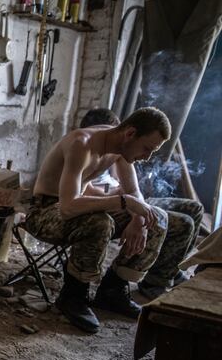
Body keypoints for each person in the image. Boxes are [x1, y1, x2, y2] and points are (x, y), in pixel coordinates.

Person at [25, 107, 171, 333]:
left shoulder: (121, 147)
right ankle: (73, 295)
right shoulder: (81, 144)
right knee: (100, 222)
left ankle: (113, 290)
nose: (147, 157)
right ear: (130, 134)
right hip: (44, 211)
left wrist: (138, 220)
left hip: (77, 206)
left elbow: (134, 192)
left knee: (155, 218)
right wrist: (124, 202)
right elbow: (67, 207)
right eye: (147, 149)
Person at [79, 108, 204, 299]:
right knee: (180, 222)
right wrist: (120, 197)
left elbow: (128, 185)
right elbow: (85, 194)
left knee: (194, 208)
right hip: (110, 203)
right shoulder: (84, 150)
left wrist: (134, 202)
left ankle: (170, 267)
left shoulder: (117, 151)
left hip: (127, 200)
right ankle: (152, 281)